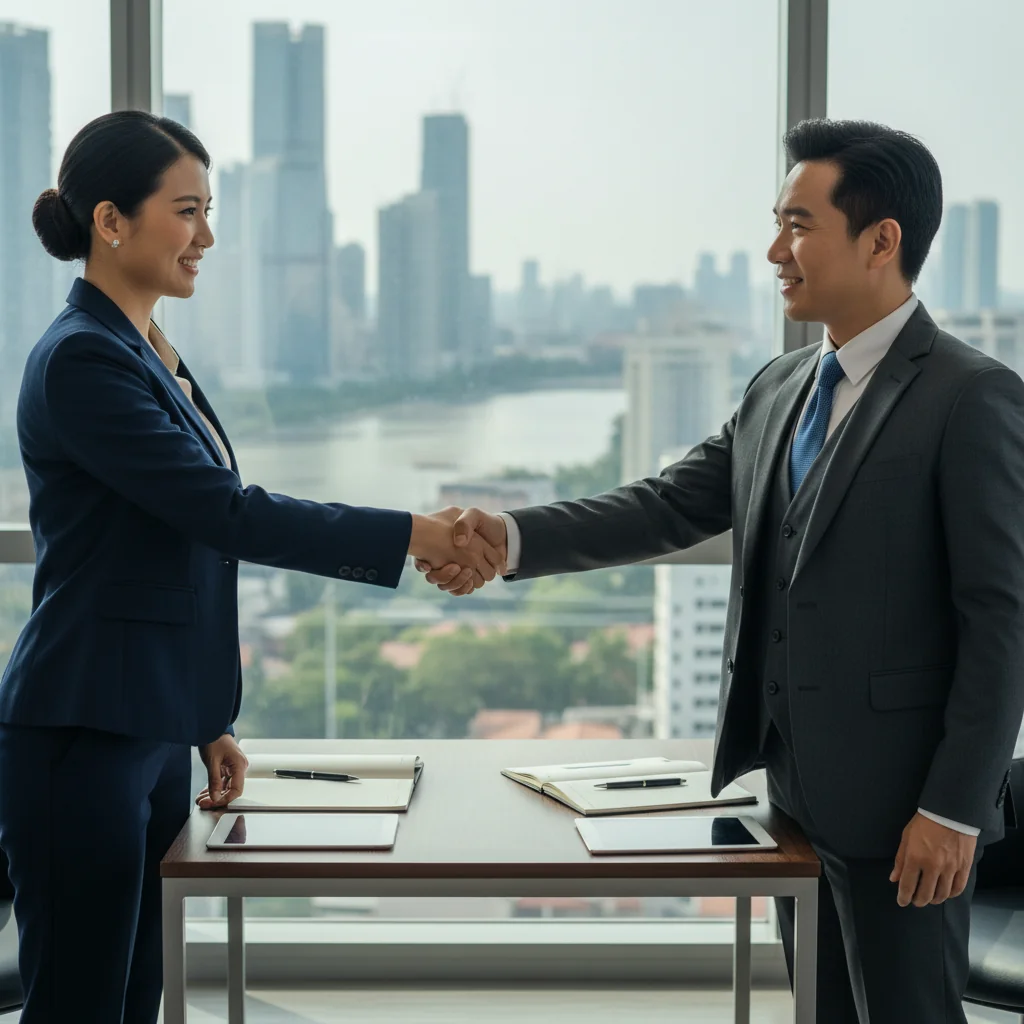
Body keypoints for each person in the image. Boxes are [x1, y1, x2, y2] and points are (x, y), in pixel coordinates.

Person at [420, 119, 1024, 1022]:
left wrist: (954, 811)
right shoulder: (779, 386)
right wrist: (506, 536)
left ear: (882, 240)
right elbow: (665, 506)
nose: (774, 249)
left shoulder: (971, 396)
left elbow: (1002, 622)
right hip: (793, 798)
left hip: (908, 813)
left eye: (798, 224)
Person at [0, 109, 502, 1024]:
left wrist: (201, 719)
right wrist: (416, 535)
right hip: (78, 733)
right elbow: (224, 512)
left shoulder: (145, 349)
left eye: (210, 210)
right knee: (77, 1006)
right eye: (186, 211)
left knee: (136, 997)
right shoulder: (82, 359)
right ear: (111, 221)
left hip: (140, 727)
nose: (208, 237)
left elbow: (169, 556)